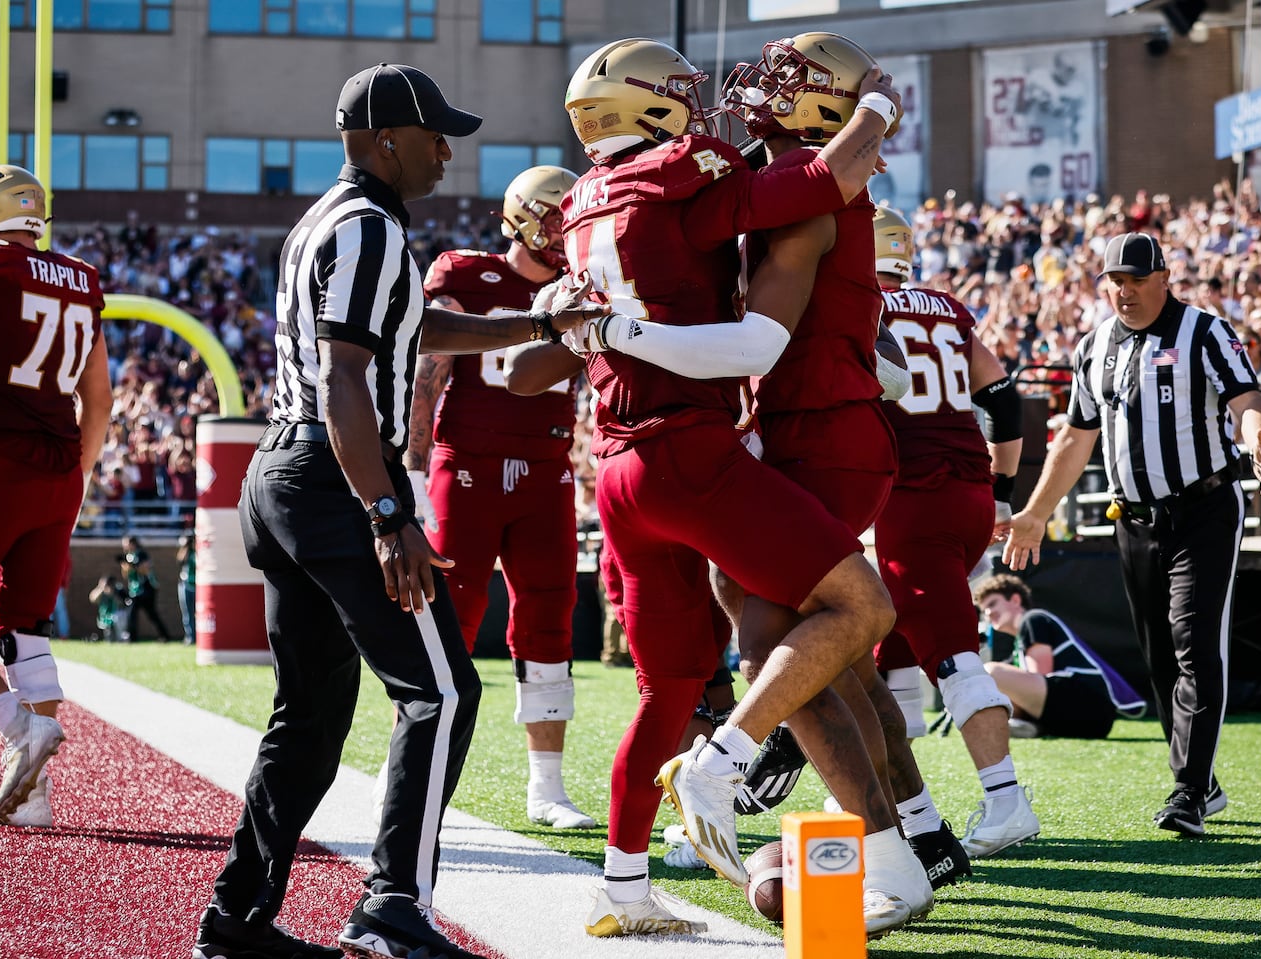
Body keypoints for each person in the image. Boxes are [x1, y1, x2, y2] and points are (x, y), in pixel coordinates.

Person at [192, 62, 602, 959]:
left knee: (308, 716)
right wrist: (387, 511)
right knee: (444, 693)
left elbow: (415, 332)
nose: (447, 149)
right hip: (336, 476)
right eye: (433, 134)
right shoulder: (373, 228)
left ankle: (234, 921)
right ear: (384, 140)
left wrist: (538, 323)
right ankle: (391, 905)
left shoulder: (327, 222)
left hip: (286, 473)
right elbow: (347, 379)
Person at [553, 37, 911, 938]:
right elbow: (819, 187)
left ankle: (624, 888)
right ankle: (726, 760)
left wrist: (603, 333)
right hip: (691, 452)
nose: (714, 103)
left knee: (667, 686)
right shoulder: (687, 171)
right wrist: (879, 107)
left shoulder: (577, 203)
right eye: (683, 93)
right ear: (653, 112)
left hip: (620, 472)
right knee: (860, 612)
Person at [1002, 232, 1261, 837]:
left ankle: (1188, 792)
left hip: (1202, 509)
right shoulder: (1094, 344)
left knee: (1194, 643)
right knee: (1159, 658)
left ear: (1164, 276)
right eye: (1114, 281)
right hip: (1133, 518)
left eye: (1135, 278)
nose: (1124, 291)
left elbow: (1247, 397)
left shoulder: (1204, 331)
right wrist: (1036, 512)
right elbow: (1076, 438)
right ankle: (1201, 779)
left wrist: (1258, 438)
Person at [401, 164, 596, 831]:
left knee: (550, 616)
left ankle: (547, 787)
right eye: (557, 216)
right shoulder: (467, 274)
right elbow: (429, 376)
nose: (569, 230)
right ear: (523, 215)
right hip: (468, 466)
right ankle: (419, 775)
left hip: (546, 469)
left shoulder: (585, 285)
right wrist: (413, 477)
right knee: (447, 616)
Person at [864, 205, 1039, 863]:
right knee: (896, 650)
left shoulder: (863, 301)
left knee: (955, 658)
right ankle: (891, 800)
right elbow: (1002, 398)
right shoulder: (944, 305)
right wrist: (1001, 490)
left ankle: (1006, 801)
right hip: (968, 488)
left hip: (916, 495)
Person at [0, 164, 112, 829]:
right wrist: (73, 475)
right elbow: (98, 399)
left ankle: (19, 726)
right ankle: (34, 795)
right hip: (60, 473)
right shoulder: (80, 280)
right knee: (26, 628)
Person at [974, 573, 1147, 740]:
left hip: (1089, 707)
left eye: (992, 604)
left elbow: (1040, 676)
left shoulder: (1034, 619)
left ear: (1015, 600)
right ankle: (1031, 727)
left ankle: (1022, 722)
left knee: (990, 672)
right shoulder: (1019, 645)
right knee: (992, 686)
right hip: (1085, 719)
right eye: (984, 610)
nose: (988, 613)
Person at [120, 533, 174, 642]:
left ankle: (164, 636)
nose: (124, 546)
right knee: (135, 613)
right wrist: (126, 567)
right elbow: (125, 575)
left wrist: (133, 566)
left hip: (146, 588)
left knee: (150, 614)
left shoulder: (141, 554)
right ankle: (133, 637)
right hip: (134, 590)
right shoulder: (128, 556)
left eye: (126, 544)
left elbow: (145, 570)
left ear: (133, 544)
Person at [177, 529, 197, 645]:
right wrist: (185, 546)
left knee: (197, 613)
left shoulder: (197, 552)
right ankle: (190, 636)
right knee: (187, 613)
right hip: (185, 584)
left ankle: (198, 636)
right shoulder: (186, 552)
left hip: (197, 585)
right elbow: (179, 560)